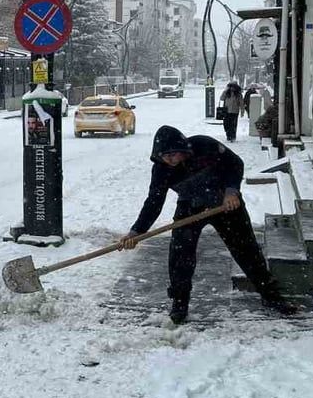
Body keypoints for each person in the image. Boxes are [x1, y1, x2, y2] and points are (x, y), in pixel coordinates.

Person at [121, 125, 297, 324]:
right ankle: (180, 303)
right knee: (180, 254)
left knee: (246, 249)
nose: (169, 161)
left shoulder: (204, 146)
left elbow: (235, 163)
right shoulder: (161, 169)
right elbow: (154, 202)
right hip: (190, 206)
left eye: (172, 155)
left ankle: (272, 297)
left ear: (182, 149)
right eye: (164, 156)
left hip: (225, 204)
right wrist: (136, 231)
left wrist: (232, 191)